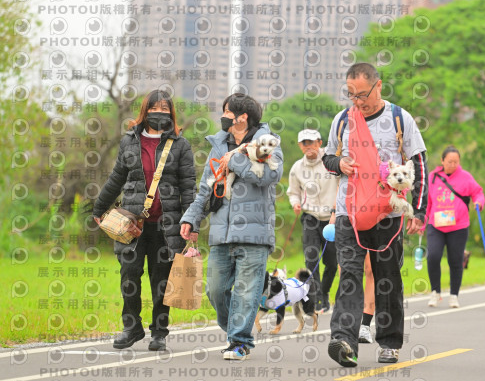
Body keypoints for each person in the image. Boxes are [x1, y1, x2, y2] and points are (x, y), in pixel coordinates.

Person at [323, 62, 428, 366]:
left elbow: (419, 164)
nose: (358, 101)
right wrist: (339, 164)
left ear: (378, 85)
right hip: (350, 212)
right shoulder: (342, 120)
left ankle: (390, 342)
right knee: (349, 274)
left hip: (387, 215)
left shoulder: (399, 118)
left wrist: (419, 211)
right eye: (351, 95)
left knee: (387, 278)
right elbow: (328, 157)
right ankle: (344, 340)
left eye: (362, 94)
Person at [179, 93, 283, 361]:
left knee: (246, 292)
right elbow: (206, 188)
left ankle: (239, 341)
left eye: (227, 112)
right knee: (215, 290)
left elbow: (272, 175)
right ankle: (236, 330)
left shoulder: (267, 142)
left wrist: (235, 160)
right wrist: (191, 218)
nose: (223, 116)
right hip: (221, 232)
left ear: (242, 117)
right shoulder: (219, 144)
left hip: (254, 234)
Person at [92, 90, 196, 351]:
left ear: (171, 113)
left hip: (167, 225)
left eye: (164, 108)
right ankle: (132, 327)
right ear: (145, 111)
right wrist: (100, 207)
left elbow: (188, 187)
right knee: (129, 275)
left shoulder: (180, 145)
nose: (159, 112)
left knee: (161, 281)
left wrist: (191, 221)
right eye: (154, 107)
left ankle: (159, 332)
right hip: (132, 224)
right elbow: (117, 177)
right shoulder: (130, 141)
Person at [425, 146, 485, 308]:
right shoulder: (433, 177)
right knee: (433, 256)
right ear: (442, 161)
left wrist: (479, 202)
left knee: (455, 260)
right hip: (436, 224)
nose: (453, 164)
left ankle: (454, 295)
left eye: (456, 162)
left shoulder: (465, 177)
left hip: (458, 226)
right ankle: (435, 292)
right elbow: (428, 201)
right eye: (449, 161)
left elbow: (478, 192)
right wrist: (423, 221)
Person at [287, 129, 339, 313]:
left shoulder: (331, 162)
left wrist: (336, 210)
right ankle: (316, 299)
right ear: (300, 146)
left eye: (312, 142)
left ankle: (324, 292)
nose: (308, 146)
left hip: (332, 218)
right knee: (311, 259)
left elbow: (342, 185)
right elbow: (293, 192)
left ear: (319, 142)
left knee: (332, 262)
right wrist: (295, 203)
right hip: (310, 217)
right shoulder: (297, 168)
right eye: (304, 143)